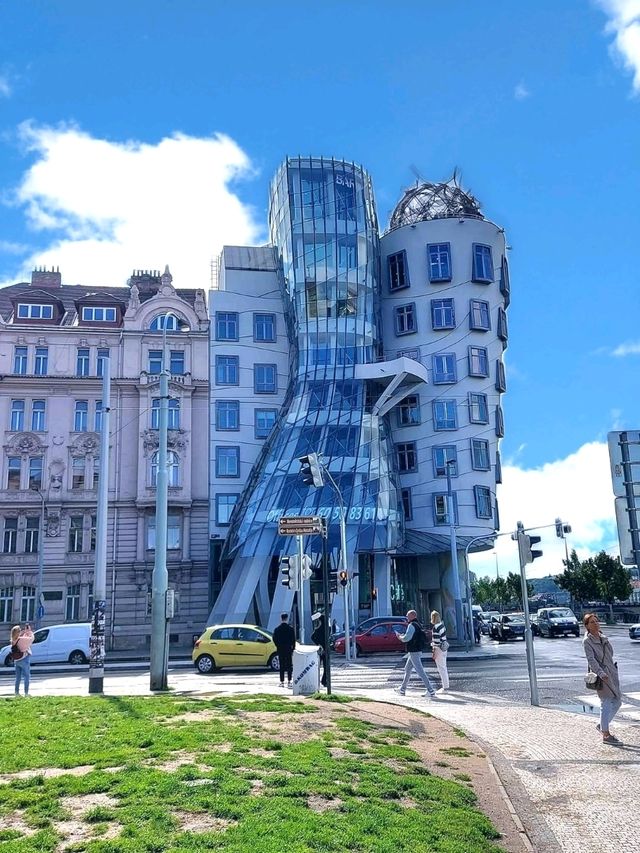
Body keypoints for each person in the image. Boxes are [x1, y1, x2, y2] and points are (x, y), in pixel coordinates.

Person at [583, 613, 622, 745]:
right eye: (592, 622)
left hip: (612, 672)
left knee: (617, 702)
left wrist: (605, 641)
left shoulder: (603, 637)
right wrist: (600, 673)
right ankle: (606, 734)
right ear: (587, 626)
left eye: (596, 621)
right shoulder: (587, 641)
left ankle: (601, 725)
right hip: (602, 675)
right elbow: (591, 660)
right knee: (606, 702)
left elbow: (611, 653)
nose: (596, 624)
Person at [394, 610, 436, 699]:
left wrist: (399, 637)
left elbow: (407, 638)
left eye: (408, 615)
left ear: (412, 616)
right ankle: (402, 689)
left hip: (414, 651)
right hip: (416, 650)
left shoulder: (411, 625)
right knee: (407, 669)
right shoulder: (418, 624)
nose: (406, 616)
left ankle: (430, 690)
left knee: (420, 671)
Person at [272, 612, 296, 688]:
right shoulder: (291, 629)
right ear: (287, 618)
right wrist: (293, 648)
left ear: (281, 618)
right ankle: (289, 681)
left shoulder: (277, 629)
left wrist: (278, 646)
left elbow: (274, 639)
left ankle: (282, 681)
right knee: (289, 665)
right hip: (288, 649)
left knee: (282, 665)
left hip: (280, 649)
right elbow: (293, 639)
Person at [11, 623, 34, 697]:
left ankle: (16, 693)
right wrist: (29, 631)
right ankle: (26, 693)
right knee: (27, 676)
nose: (21, 631)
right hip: (24, 659)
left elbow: (23, 640)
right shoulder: (21, 639)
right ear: (17, 632)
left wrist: (25, 632)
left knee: (18, 677)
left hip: (17, 660)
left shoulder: (13, 640)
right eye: (20, 630)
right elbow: (31, 639)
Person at [430, 610, 449, 693]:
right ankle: (445, 686)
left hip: (438, 648)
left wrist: (433, 650)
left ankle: (445, 688)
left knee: (441, 668)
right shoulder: (442, 626)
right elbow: (443, 638)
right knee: (443, 667)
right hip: (444, 648)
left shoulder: (435, 627)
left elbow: (436, 641)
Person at [311, 613, 327, 687]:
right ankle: (324, 680)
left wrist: (318, 644)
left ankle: (316, 680)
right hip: (326, 649)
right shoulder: (327, 629)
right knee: (326, 666)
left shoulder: (317, 629)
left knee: (317, 666)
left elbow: (312, 637)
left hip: (319, 649)